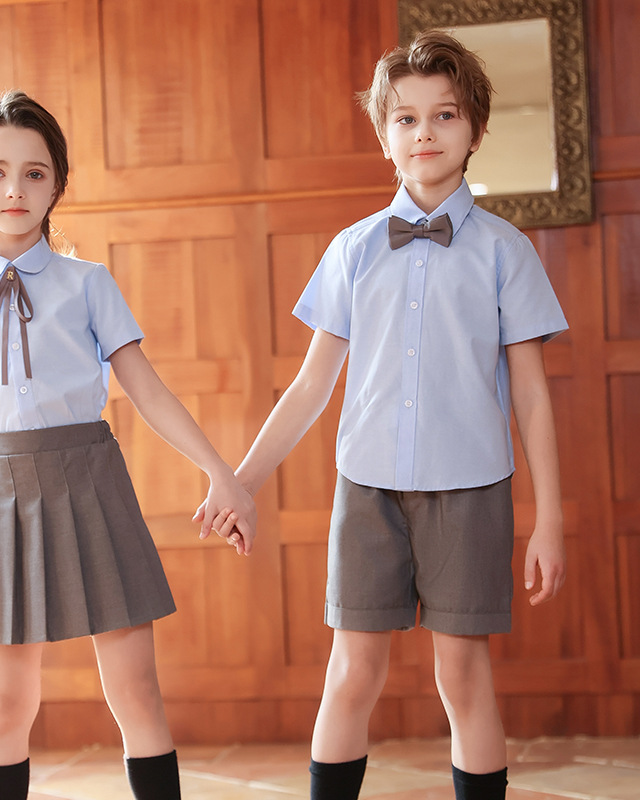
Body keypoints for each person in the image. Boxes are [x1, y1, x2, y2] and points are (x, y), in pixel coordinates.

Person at [198, 30, 567, 800]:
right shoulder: (354, 249)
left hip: (471, 489)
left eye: (444, 116)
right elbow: (308, 389)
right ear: (383, 134)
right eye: (405, 119)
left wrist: (550, 519)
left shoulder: (506, 252)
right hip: (365, 490)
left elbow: (531, 394)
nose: (424, 133)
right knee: (351, 670)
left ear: (475, 131)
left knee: (462, 674)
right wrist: (239, 482)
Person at [0, 89, 256, 800]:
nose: (14, 188)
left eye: (34, 172)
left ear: (58, 183)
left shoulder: (89, 285)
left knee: (136, 694)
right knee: (9, 705)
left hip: (93, 487)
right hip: (1, 499)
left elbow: (147, 391)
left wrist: (222, 473)